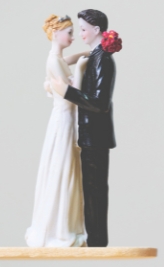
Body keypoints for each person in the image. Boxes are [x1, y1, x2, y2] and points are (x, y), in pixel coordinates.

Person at [50, 9, 122, 247]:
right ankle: (94, 240)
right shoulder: (96, 55)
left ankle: (98, 242)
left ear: (96, 30)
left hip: (96, 138)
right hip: (90, 137)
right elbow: (86, 59)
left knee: (95, 192)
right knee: (91, 191)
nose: (80, 34)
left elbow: (100, 103)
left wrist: (67, 92)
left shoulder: (104, 60)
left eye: (82, 29)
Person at [26, 14, 89, 247]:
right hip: (64, 117)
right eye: (70, 33)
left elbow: (65, 61)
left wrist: (81, 55)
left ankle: (64, 223)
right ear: (56, 34)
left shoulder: (57, 58)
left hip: (66, 116)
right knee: (63, 164)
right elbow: (70, 91)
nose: (73, 37)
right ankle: (60, 228)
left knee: (67, 164)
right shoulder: (53, 61)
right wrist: (82, 69)